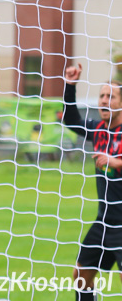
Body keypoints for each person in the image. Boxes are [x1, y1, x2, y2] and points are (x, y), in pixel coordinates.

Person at [61, 63, 122, 301]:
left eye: (112, 96)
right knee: (81, 276)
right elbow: (72, 119)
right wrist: (70, 85)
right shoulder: (98, 130)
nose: (105, 100)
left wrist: (116, 163)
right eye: (102, 95)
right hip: (104, 221)